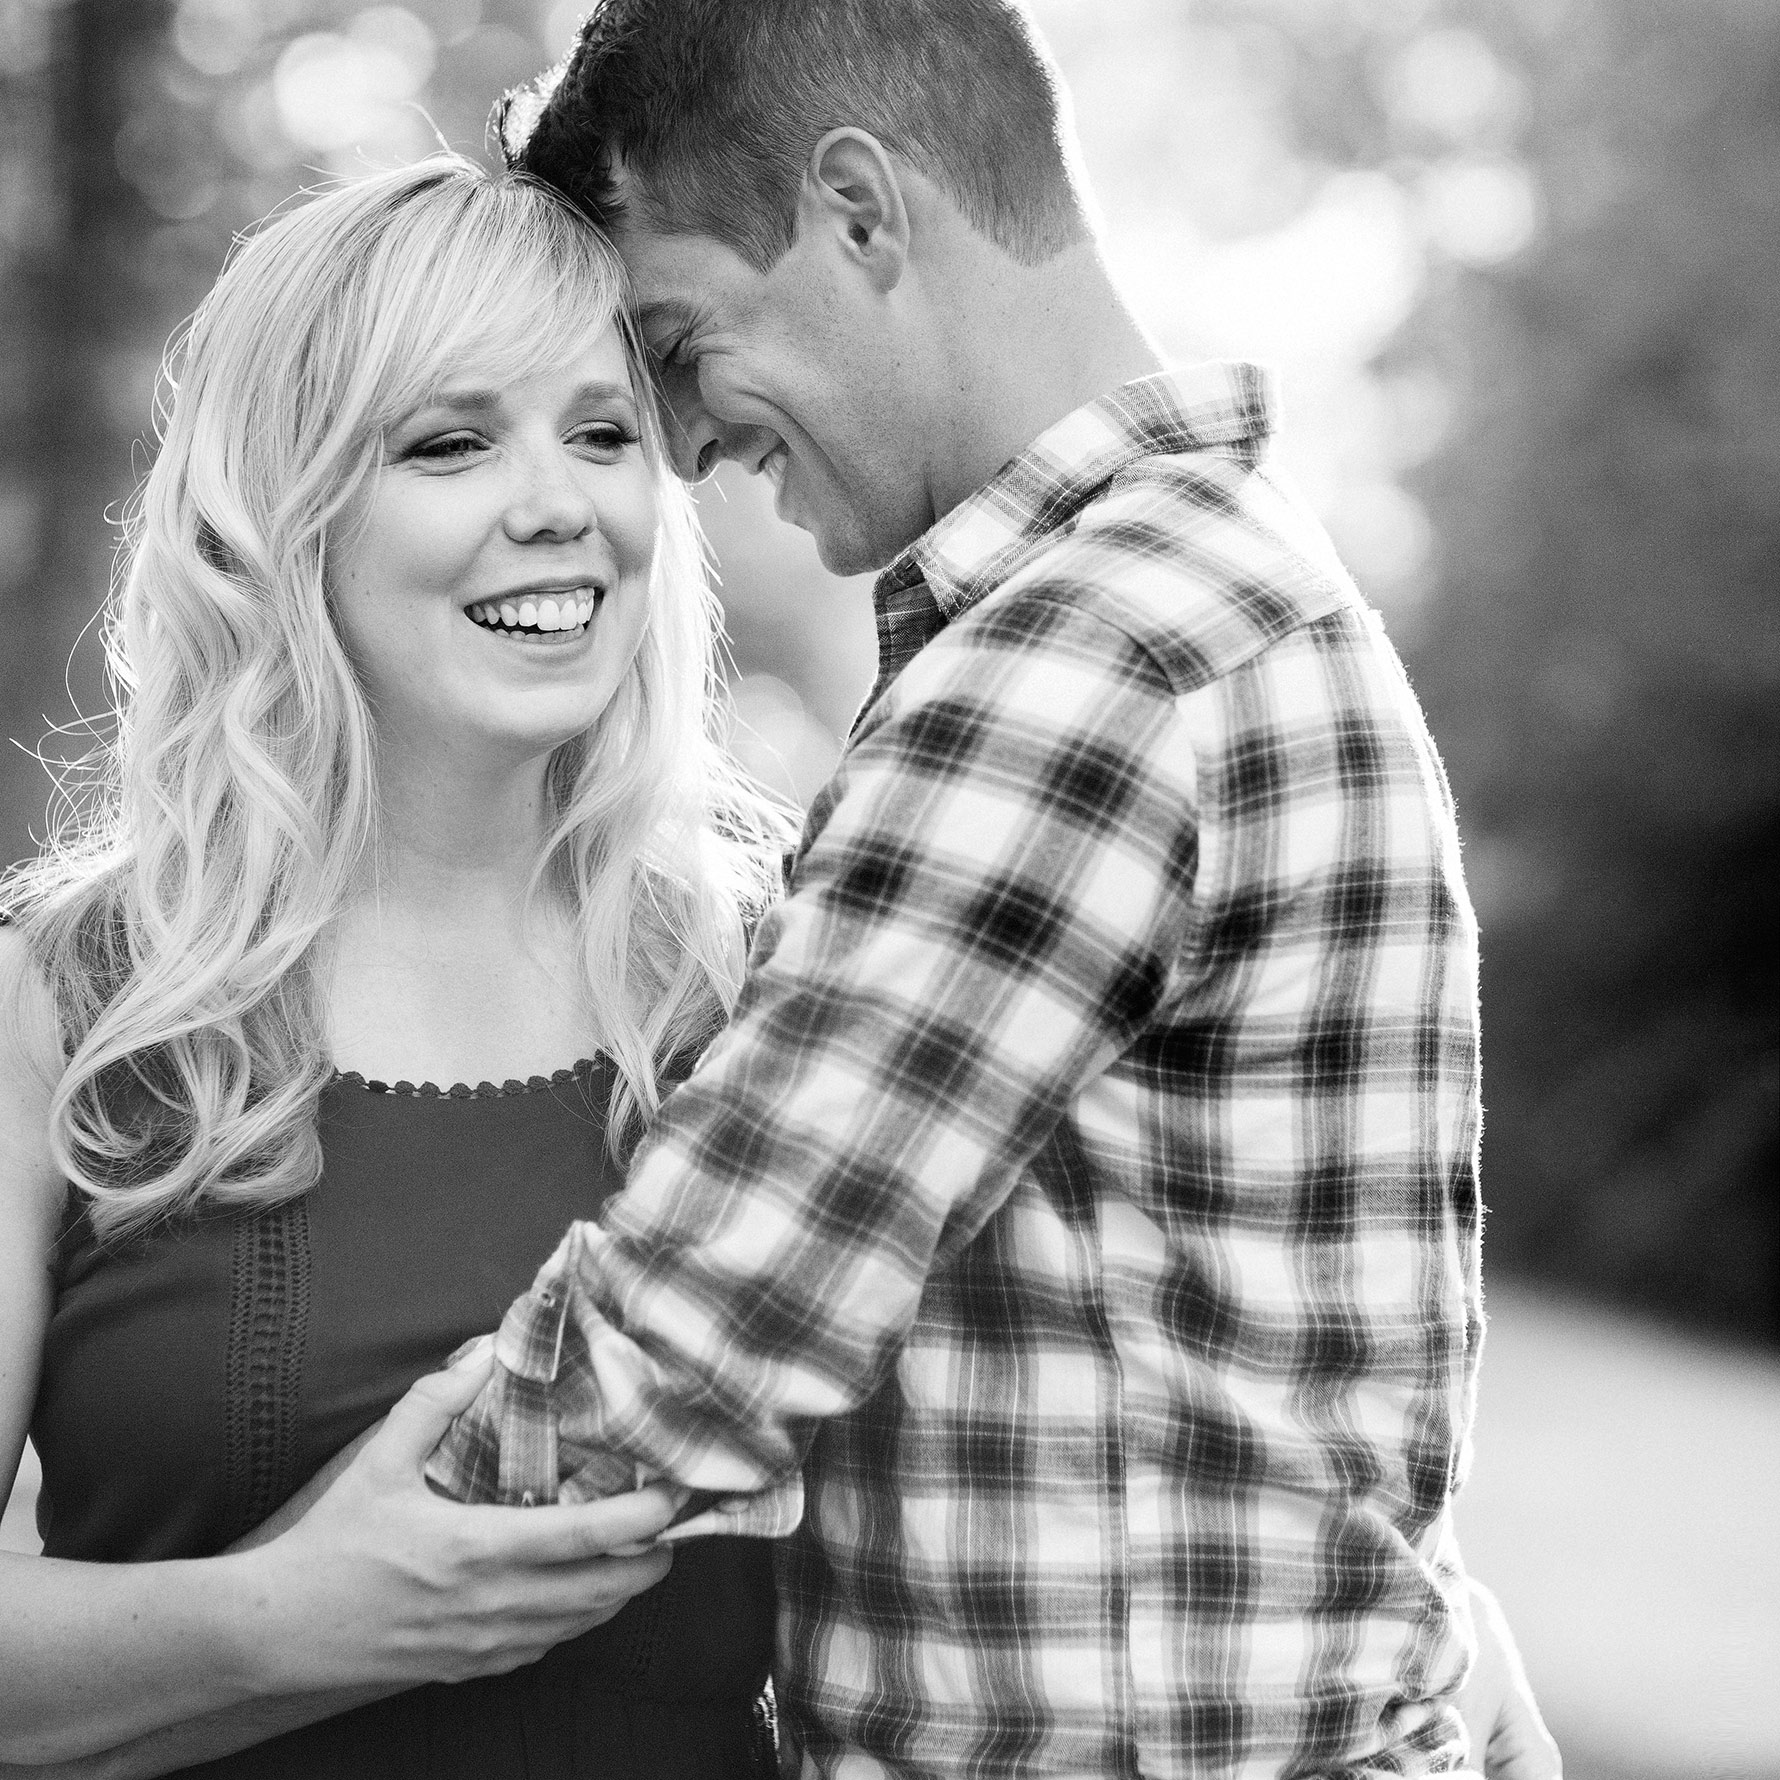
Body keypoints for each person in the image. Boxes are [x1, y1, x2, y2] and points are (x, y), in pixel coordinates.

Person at [429, 2, 1563, 1777]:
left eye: (679, 343)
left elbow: (675, 1365)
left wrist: (225, 1589)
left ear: (860, 212)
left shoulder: (1083, 661)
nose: (681, 447)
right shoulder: (1241, 588)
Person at [0, 156, 798, 1777]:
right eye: (450, 442)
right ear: (283, 514)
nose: (561, 504)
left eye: (603, 433)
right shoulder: (65, 1008)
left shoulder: (774, 981)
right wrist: (286, 1618)